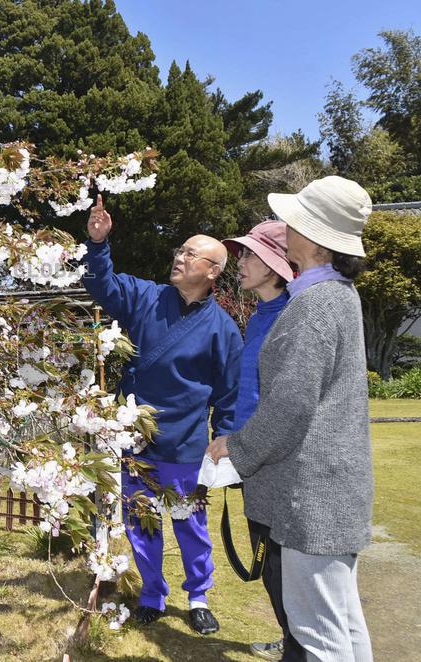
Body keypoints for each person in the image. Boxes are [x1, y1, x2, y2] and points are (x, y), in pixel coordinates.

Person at [209, 176, 374, 662]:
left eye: (292, 221)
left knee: (319, 637)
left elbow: (288, 409)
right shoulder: (337, 297)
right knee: (343, 625)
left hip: (312, 500)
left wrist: (233, 450)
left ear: (313, 236)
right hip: (333, 493)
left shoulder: (314, 306)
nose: (285, 229)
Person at [81, 195, 242, 635]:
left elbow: (229, 393)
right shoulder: (146, 298)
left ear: (212, 271)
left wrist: (222, 441)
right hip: (137, 441)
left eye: (192, 254)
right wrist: (98, 244)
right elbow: (105, 285)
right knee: (141, 521)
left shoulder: (223, 329)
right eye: (180, 250)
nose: (180, 256)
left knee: (190, 525)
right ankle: (152, 592)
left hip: (188, 444)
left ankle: (198, 596)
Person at [222, 220, 295, 661]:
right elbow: (247, 392)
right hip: (249, 458)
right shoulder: (257, 318)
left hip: (276, 464)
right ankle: (293, 641)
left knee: (282, 566)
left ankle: (299, 646)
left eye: (250, 255)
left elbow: (285, 406)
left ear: (275, 266)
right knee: (268, 562)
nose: (241, 263)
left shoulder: (292, 318)